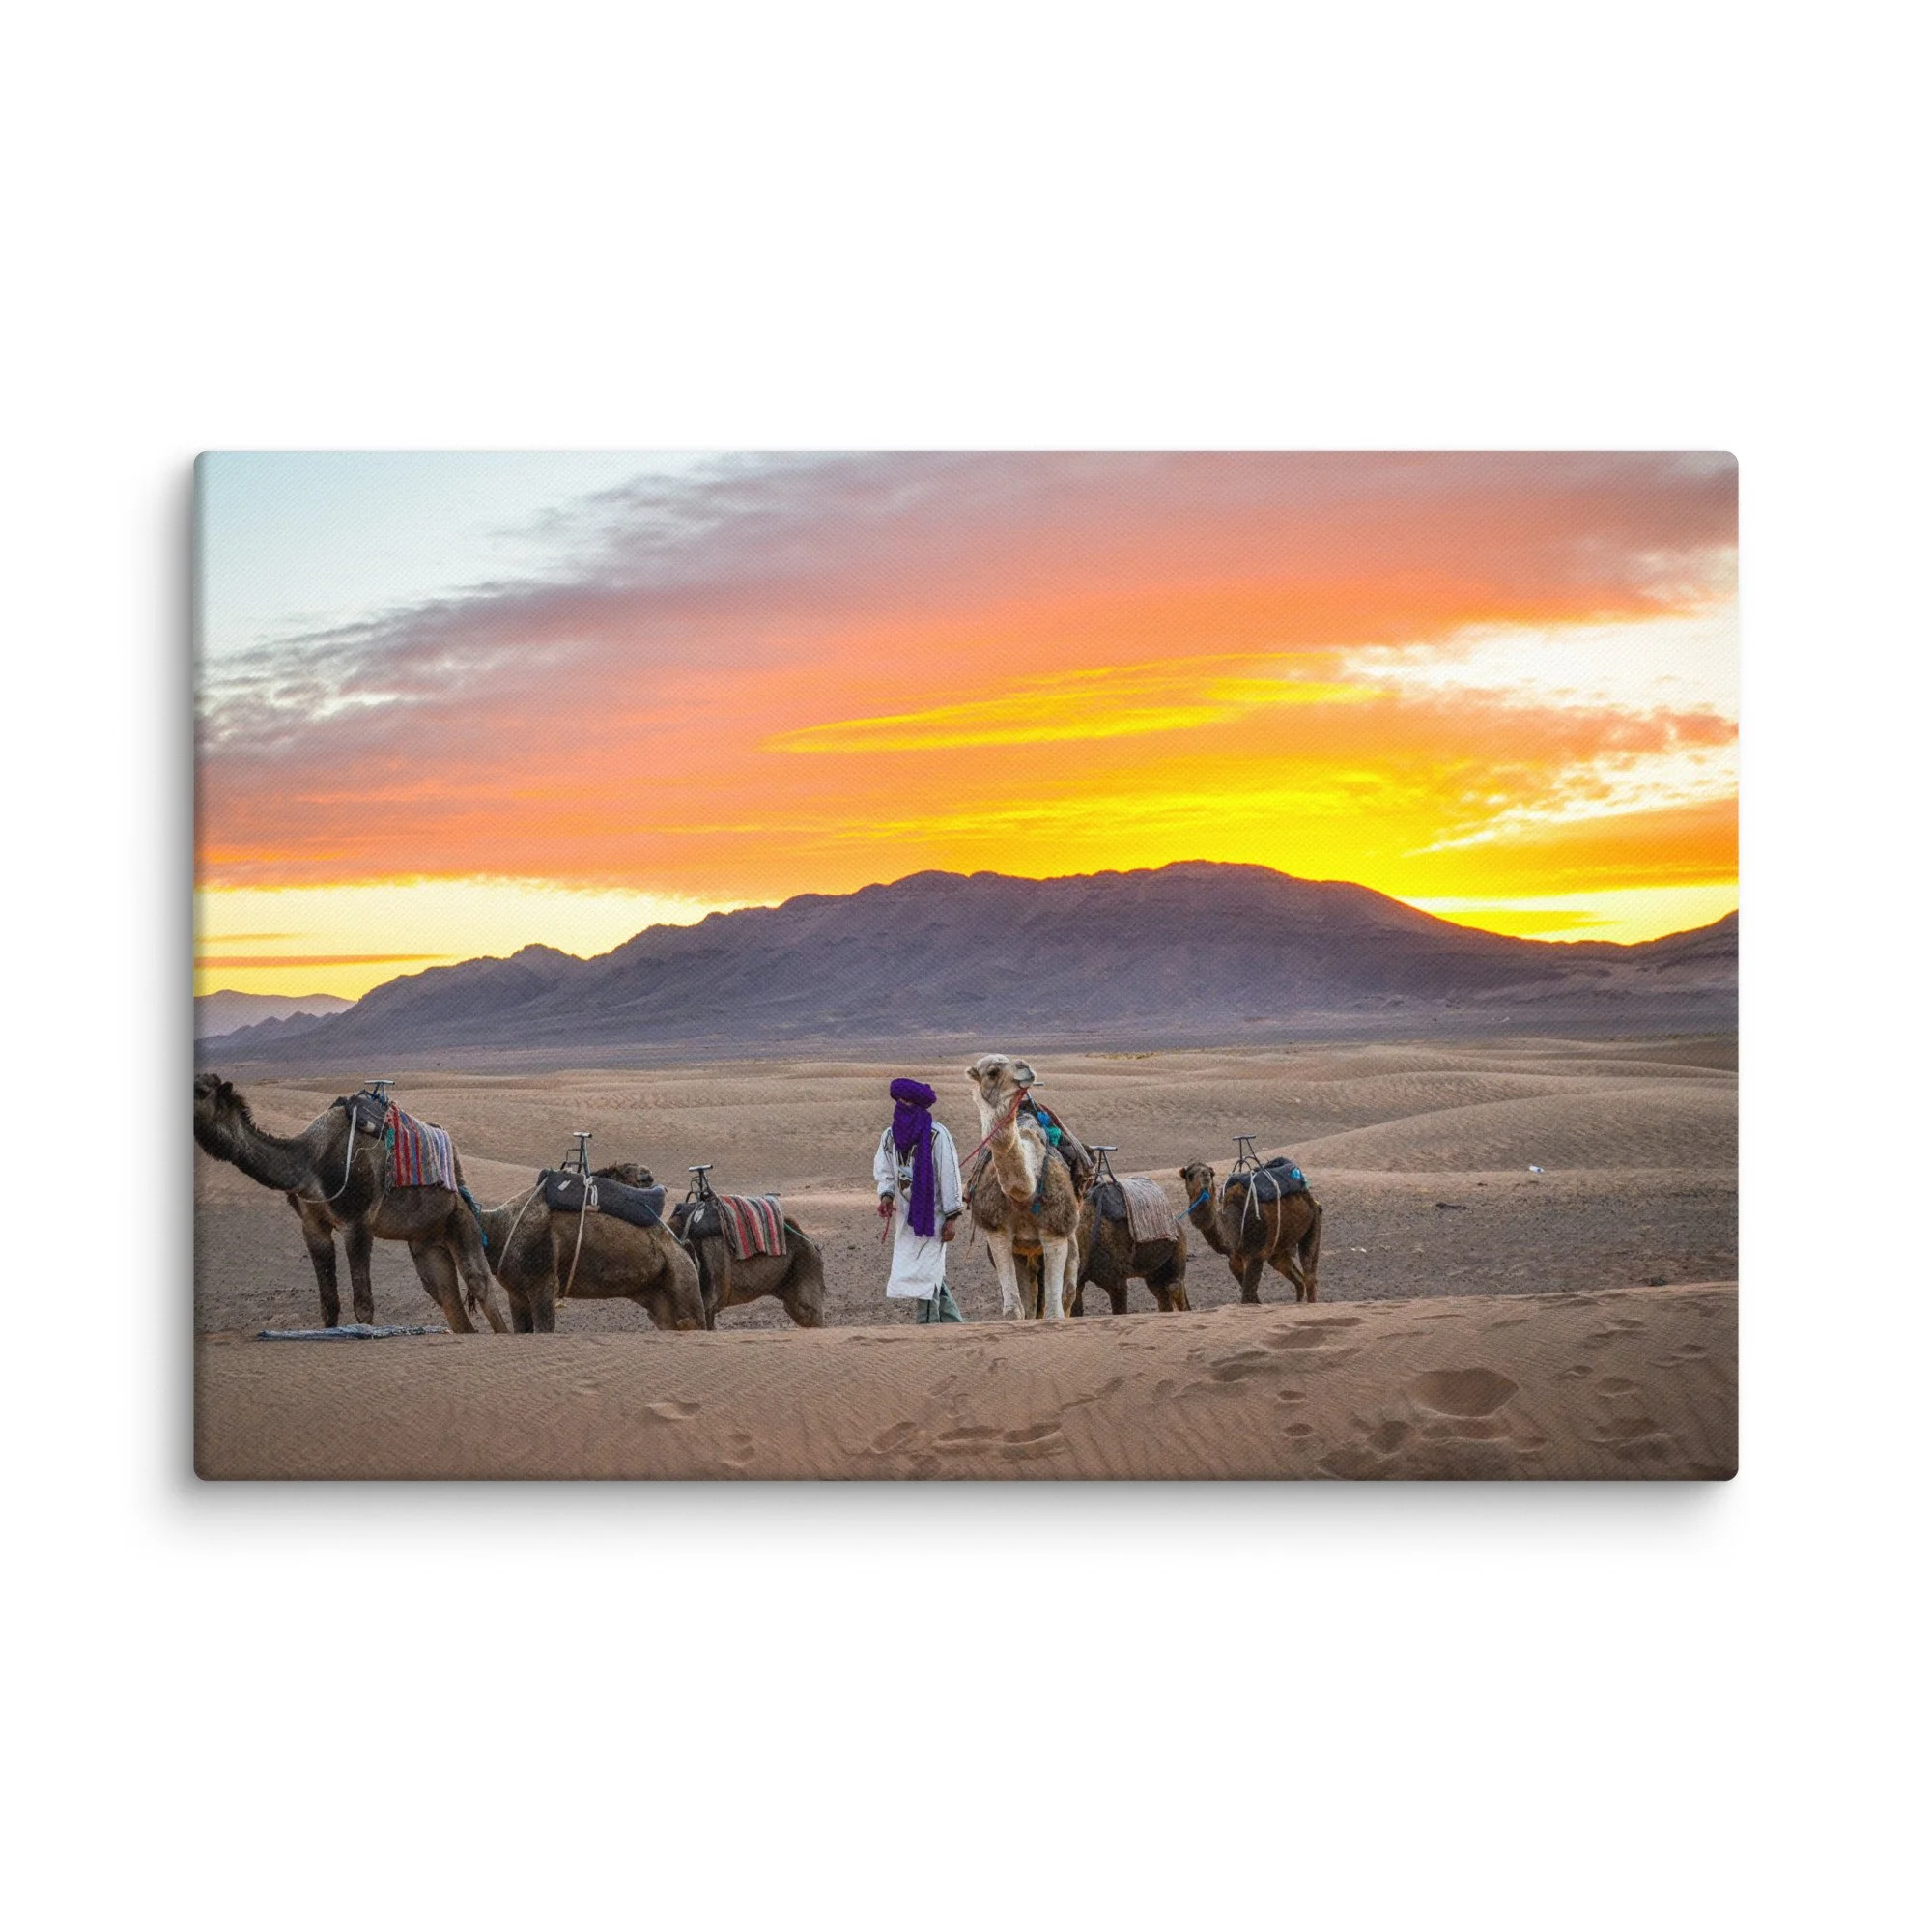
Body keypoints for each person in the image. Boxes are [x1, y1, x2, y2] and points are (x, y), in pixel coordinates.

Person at [874, 1076, 966, 1323]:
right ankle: (955, 1325)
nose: (902, 1107)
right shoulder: (890, 1137)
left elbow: (949, 1176)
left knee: (926, 1274)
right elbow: (885, 1169)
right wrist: (886, 1195)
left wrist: (952, 1218)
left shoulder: (937, 1136)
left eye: (908, 1102)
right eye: (899, 1102)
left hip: (933, 1216)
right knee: (929, 1273)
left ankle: (925, 1328)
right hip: (906, 1217)